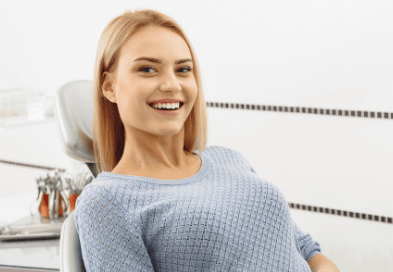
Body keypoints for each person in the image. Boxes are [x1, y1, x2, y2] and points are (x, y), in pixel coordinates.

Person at [74, 8, 340, 272]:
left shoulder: (229, 158)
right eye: (147, 69)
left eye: (183, 69)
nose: (172, 85)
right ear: (109, 86)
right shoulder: (106, 201)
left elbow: (308, 252)